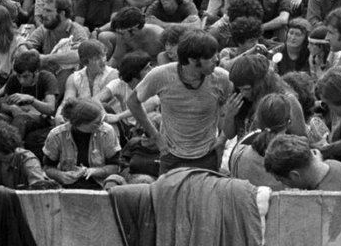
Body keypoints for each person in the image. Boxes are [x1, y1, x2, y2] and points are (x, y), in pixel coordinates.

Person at [127, 29, 231, 174]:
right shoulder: (161, 75)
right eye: (210, 57)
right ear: (192, 60)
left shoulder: (222, 78)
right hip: (170, 155)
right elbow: (133, 102)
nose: (217, 59)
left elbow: (232, 107)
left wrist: (222, 138)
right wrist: (156, 137)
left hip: (207, 155)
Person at [43, 98, 122, 189]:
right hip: (67, 187)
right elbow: (48, 167)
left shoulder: (107, 132)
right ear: (80, 123)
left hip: (100, 185)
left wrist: (94, 171)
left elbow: (115, 167)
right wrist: (60, 175)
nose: (101, 125)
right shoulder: (57, 135)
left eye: (101, 121)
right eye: (96, 123)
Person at [263, 133, 341, 191]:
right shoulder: (336, 165)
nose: (284, 186)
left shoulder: (317, 202)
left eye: (282, 180)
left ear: (294, 175)